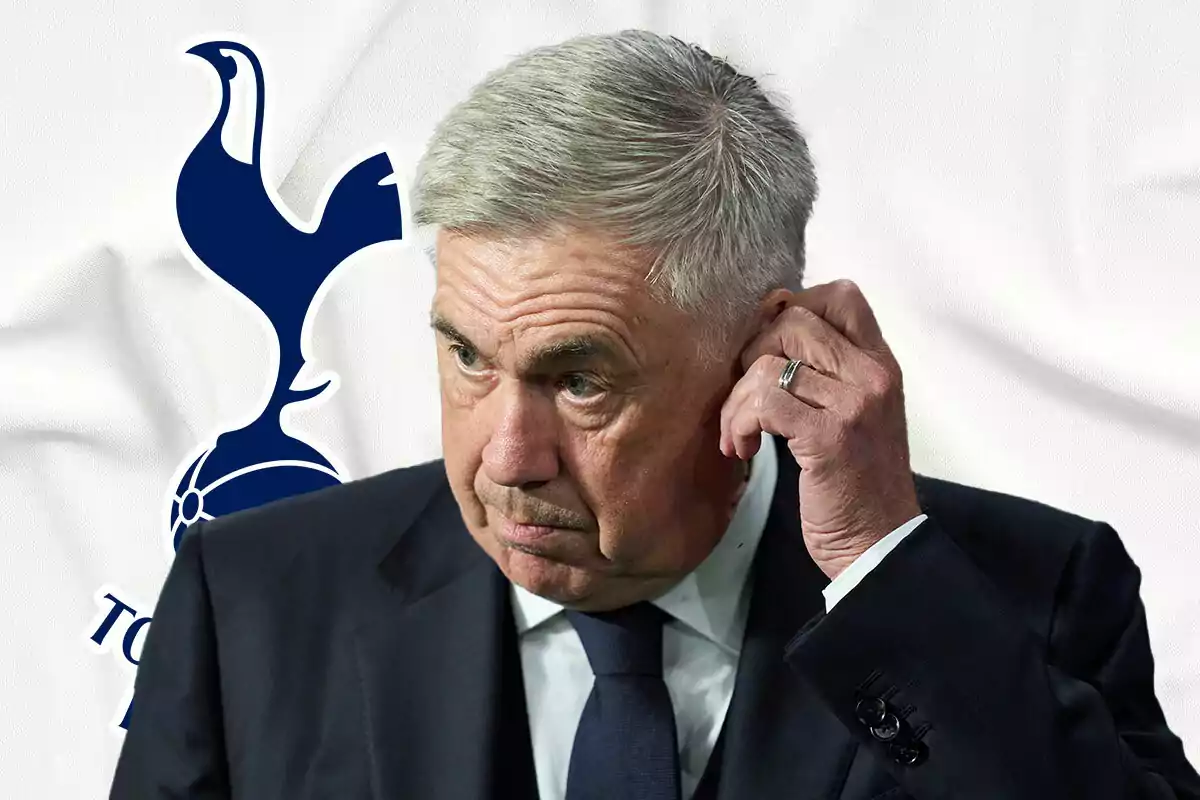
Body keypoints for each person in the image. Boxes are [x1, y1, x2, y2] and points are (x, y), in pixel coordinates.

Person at [109, 29, 1200, 800]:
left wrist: (876, 566)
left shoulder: (1030, 594)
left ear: (763, 355)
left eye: (581, 380)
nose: (508, 457)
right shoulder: (248, 601)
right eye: (466, 356)